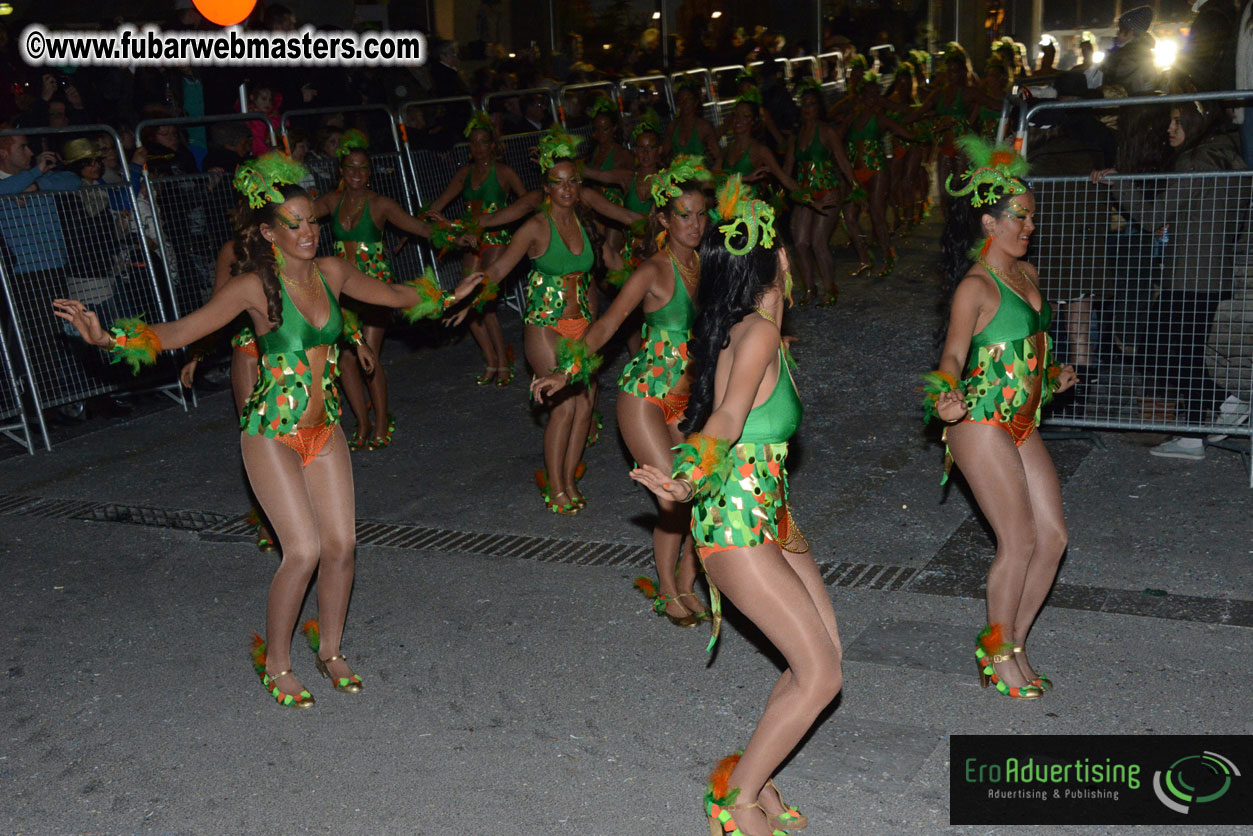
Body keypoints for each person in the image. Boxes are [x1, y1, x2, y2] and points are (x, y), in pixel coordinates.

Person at [53, 153, 483, 708]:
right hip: (270, 432)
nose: (308, 233)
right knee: (301, 550)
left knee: (343, 547)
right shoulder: (254, 287)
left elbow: (397, 295)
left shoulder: (334, 273)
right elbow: (184, 329)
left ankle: (329, 650)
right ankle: (276, 663)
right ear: (268, 231)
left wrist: (451, 295)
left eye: (312, 222)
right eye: (294, 224)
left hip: (323, 432)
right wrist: (110, 339)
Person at [631, 175, 842, 836]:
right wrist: (685, 474)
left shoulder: (763, 336)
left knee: (821, 662)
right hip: (734, 525)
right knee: (818, 674)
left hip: (772, 519)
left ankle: (751, 771)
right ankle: (735, 800)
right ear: (780, 259)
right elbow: (721, 419)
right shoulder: (752, 336)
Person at [531, 156, 713, 625]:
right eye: (684, 215)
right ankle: (667, 589)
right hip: (646, 396)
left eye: (700, 214)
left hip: (690, 397)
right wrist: (565, 372)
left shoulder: (707, 264)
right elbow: (607, 326)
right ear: (664, 220)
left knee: (704, 486)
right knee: (674, 497)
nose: (694, 224)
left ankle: (689, 576)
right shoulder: (652, 271)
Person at [926, 136, 1077, 700]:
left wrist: (1053, 371)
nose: (1028, 226)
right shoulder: (975, 286)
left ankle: (1012, 642)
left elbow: (1024, 343)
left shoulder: (1028, 272)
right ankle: (998, 654)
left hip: (1021, 420)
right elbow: (953, 355)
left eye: (1032, 217)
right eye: (1018, 217)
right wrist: (944, 396)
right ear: (988, 222)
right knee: (1017, 540)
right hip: (980, 423)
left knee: (1054, 537)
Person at [470, 126, 645, 513]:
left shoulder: (589, 224)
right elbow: (499, 271)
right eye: (558, 183)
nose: (566, 189)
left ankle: (567, 478)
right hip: (544, 326)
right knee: (564, 407)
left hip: (583, 327)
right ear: (547, 188)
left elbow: (615, 264)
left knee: (585, 407)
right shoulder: (535, 226)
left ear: (578, 186)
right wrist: (468, 288)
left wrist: (652, 282)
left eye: (572, 182)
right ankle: (556, 486)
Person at [1090, 102, 1248, 459]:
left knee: (1157, 350)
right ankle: (1205, 423)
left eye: (1178, 122)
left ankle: (1221, 408)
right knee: (1181, 352)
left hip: (1191, 274)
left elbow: (1152, 216)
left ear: (1196, 123)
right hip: (1209, 271)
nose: (1169, 128)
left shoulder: (1195, 162)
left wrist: (1119, 182)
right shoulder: (1229, 159)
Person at [311, 129, 453, 449]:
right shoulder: (332, 201)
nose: (357, 174)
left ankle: (382, 420)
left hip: (373, 287)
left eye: (363, 168)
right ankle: (362, 422)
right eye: (350, 168)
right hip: (341, 289)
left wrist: (456, 235)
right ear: (341, 171)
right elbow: (297, 216)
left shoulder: (381, 204)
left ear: (371, 172)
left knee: (370, 355)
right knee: (346, 359)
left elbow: (421, 228)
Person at [423, 112, 527, 386]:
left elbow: (527, 202)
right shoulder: (464, 174)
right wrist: (421, 222)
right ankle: (491, 360)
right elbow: (439, 205)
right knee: (466, 299)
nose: (478, 148)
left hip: (498, 238)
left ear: (493, 145)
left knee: (485, 302)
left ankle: (504, 362)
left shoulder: (504, 172)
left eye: (483, 142)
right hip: (472, 239)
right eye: (473, 143)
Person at [786, 77, 856, 305]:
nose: (807, 108)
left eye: (812, 104)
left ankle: (830, 288)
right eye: (804, 104)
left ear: (819, 108)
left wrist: (855, 188)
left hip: (828, 191)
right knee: (800, 243)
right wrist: (779, 197)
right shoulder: (795, 138)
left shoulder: (827, 132)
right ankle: (809, 288)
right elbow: (787, 170)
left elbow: (843, 162)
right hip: (805, 195)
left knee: (818, 242)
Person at [1100, 5, 1160, 95]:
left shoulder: (1131, 54)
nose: (1118, 35)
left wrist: (1109, 57)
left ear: (1130, 33)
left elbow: (1115, 74)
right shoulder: (1142, 50)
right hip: (1137, 100)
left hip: (1131, 102)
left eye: (1120, 31)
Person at [662, 78, 722, 167]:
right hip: (677, 176)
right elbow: (664, 155)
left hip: (700, 176)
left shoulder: (704, 126)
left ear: (696, 102)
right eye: (681, 100)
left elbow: (718, 156)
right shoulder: (672, 127)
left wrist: (713, 173)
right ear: (677, 103)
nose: (684, 103)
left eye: (688, 99)